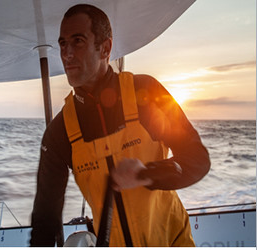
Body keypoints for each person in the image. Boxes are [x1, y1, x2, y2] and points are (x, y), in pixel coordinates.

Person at [30, 4, 210, 247]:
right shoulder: (59, 133)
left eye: (78, 41)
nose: (67, 54)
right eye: (63, 44)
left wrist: (148, 174)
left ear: (105, 48)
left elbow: (197, 159)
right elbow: (45, 220)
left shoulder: (144, 93)